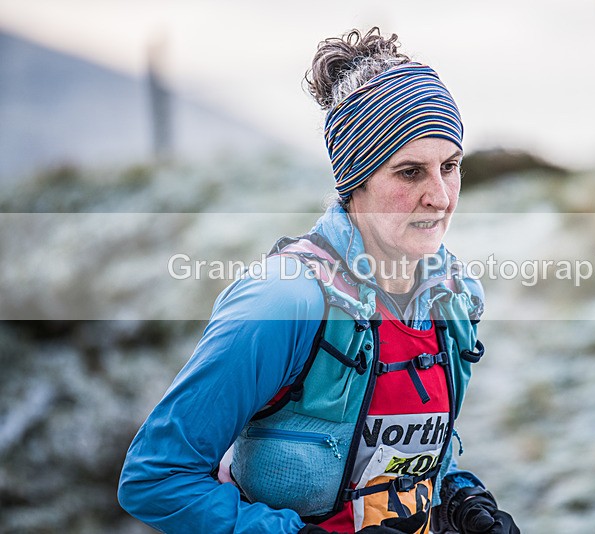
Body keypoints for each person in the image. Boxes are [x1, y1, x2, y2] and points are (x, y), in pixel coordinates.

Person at [118, 27, 520, 534]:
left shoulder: (454, 299)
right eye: (410, 173)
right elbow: (154, 478)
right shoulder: (284, 301)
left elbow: (390, 452)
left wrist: (460, 496)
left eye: (451, 165)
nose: (440, 196)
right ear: (356, 178)